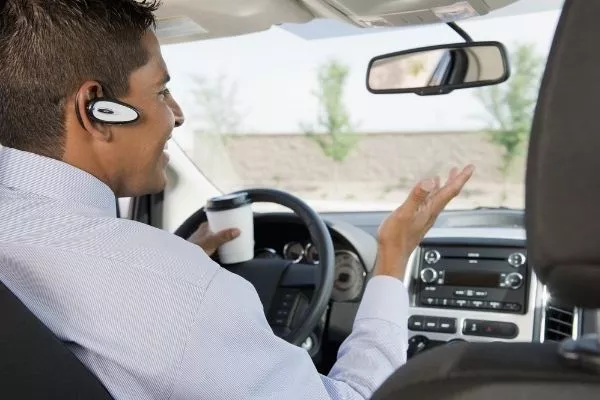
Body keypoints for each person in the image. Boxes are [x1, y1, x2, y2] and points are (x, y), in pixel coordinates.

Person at [0, 1, 474, 399]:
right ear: (97, 110)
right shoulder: (176, 289)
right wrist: (392, 259)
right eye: (162, 91)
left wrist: (175, 261)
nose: (177, 115)